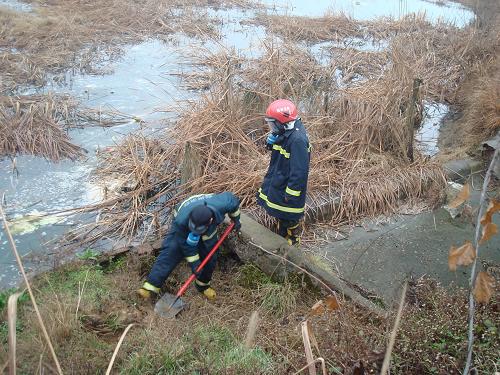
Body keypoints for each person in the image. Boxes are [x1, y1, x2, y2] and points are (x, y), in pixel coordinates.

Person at [138, 192, 241, 300]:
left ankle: (203, 286)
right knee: (172, 251)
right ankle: (150, 287)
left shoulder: (224, 203)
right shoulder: (181, 221)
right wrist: (195, 264)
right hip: (183, 225)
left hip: (208, 228)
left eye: (198, 231)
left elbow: (234, 203)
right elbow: (187, 246)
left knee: (210, 257)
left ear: (210, 220)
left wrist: (236, 219)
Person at [257, 99, 310, 245]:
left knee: (289, 218)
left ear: (282, 122)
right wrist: (270, 143)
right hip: (280, 180)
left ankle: (292, 244)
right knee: (283, 217)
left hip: (287, 188)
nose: (270, 127)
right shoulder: (287, 131)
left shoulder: (297, 140)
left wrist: (291, 194)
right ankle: (282, 238)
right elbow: (279, 154)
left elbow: (299, 171)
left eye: (272, 123)